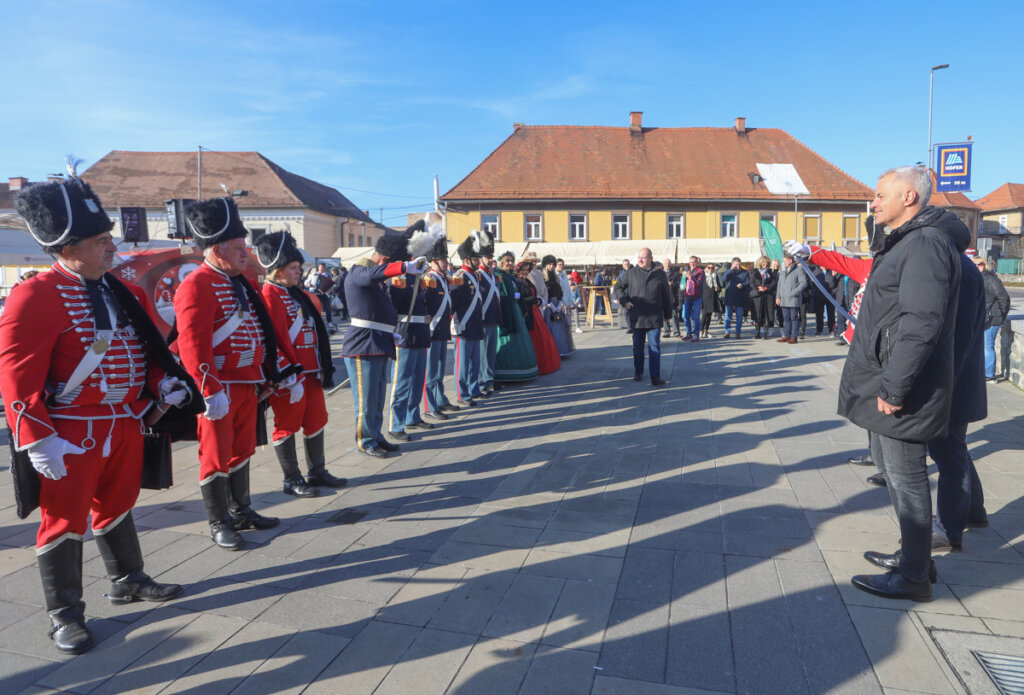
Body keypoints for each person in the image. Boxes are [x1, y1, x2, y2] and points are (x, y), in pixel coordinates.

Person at [0, 173, 193, 654]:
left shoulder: (116, 290)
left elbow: (143, 350)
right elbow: (16, 375)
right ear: (67, 246)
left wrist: (160, 383)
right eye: (100, 240)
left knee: (120, 503)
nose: (111, 246)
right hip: (71, 431)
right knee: (64, 519)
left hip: (125, 422)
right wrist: (37, 437)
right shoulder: (35, 294)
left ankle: (127, 579)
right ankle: (64, 614)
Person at [837, 165, 968, 601]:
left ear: (909, 197)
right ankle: (914, 560)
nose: (872, 203)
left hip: (908, 390)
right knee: (898, 478)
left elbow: (921, 324)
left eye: (879, 195)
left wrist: (894, 389)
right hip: (898, 381)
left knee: (906, 479)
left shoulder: (925, 244)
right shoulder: (912, 241)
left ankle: (913, 577)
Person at [176, 197, 294, 551]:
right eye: (239, 247)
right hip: (220, 386)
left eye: (245, 247)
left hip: (247, 383)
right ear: (216, 248)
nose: (246, 253)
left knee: (242, 449)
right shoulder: (196, 284)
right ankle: (219, 521)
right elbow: (192, 343)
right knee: (215, 454)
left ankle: (241, 510)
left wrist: (266, 374)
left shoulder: (240, 283)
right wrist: (208, 387)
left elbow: (259, 331)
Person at [256, 231, 347, 497]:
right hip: (289, 375)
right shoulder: (269, 295)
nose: (299, 272)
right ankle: (291, 478)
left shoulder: (295, 293)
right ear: (278, 270)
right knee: (287, 424)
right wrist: (287, 373)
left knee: (317, 419)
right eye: (294, 268)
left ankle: (316, 471)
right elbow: (270, 340)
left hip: (311, 371)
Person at [342, 234, 425, 457]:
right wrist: (405, 267)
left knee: (378, 396)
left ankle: (376, 435)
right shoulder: (359, 271)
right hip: (363, 344)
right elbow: (370, 276)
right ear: (384, 259)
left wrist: (392, 334)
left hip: (379, 342)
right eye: (392, 264)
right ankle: (366, 440)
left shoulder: (376, 281)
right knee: (366, 399)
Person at [387, 221, 441, 441]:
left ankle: (412, 415)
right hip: (405, 332)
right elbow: (391, 304)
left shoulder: (421, 275)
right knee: (402, 381)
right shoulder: (401, 275)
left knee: (418, 378)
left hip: (420, 332)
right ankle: (396, 424)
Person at [614, 247, 672, 386]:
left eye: (643, 257)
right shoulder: (631, 273)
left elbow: (666, 295)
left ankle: (655, 377)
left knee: (654, 347)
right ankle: (638, 372)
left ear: (651, 258)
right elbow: (618, 288)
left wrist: (668, 314)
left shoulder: (659, 274)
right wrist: (625, 301)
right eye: (639, 257)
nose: (640, 259)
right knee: (638, 347)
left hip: (654, 316)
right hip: (637, 316)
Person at [422, 229, 459, 420]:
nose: (446, 262)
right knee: (430, 371)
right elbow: (423, 304)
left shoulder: (443, 279)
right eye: (443, 259)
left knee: (439, 370)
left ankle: (440, 398)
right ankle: (430, 405)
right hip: (431, 331)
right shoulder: (428, 279)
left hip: (442, 330)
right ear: (433, 261)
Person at [451, 231, 486, 405]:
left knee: (475, 363)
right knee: (463, 365)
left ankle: (473, 389)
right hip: (463, 326)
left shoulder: (474, 276)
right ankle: (462, 394)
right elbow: (452, 304)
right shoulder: (459, 277)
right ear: (466, 260)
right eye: (476, 259)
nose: (479, 262)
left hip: (474, 326)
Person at [494, 251, 538, 382]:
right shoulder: (498, 275)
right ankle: (502, 372)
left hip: (515, 310)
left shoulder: (511, 277)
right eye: (507, 261)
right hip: (505, 311)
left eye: (511, 261)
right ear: (501, 262)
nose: (509, 263)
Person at [516, 259, 561, 375]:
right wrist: (531, 300)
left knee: (543, 339)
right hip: (527, 313)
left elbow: (535, 294)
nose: (525, 272)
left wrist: (539, 301)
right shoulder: (517, 282)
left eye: (527, 270)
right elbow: (518, 299)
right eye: (523, 270)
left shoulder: (528, 282)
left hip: (535, 311)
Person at [476, 230, 502, 397]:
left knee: (490, 352)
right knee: (483, 353)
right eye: (487, 257)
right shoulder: (477, 276)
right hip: (483, 319)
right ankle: (482, 381)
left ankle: (489, 379)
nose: (490, 259)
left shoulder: (491, 275)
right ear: (480, 258)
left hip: (493, 317)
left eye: (491, 256)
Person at [976, 258, 1010, 382]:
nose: (976, 266)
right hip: (982, 319)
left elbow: (1004, 298)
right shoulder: (977, 278)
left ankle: (990, 375)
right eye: (973, 264)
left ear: (985, 265)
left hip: (991, 319)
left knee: (987, 347)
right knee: (983, 347)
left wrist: (1000, 315)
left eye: (979, 264)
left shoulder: (990, 280)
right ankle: (985, 372)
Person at [542, 255, 575, 357]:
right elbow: (543, 291)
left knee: (560, 330)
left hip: (558, 304)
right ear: (545, 265)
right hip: (548, 305)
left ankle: (561, 351)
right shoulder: (542, 276)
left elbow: (559, 290)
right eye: (549, 264)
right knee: (551, 330)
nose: (551, 266)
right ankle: (552, 353)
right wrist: (548, 303)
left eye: (553, 264)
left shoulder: (556, 276)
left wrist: (560, 301)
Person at [775, 254, 808, 344]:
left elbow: (804, 283)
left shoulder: (799, 269)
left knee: (794, 318)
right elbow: (779, 285)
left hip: (793, 299)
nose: (784, 262)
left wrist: (795, 292)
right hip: (784, 299)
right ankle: (787, 335)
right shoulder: (782, 272)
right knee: (786, 318)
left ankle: (794, 336)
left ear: (790, 260)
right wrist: (778, 297)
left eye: (785, 260)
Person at [749, 256, 776, 339]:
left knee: (767, 314)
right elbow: (752, 283)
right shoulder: (755, 272)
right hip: (757, 296)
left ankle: (765, 333)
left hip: (768, 296)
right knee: (758, 314)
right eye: (764, 262)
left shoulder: (771, 272)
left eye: (767, 263)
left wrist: (766, 288)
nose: (765, 264)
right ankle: (757, 332)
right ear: (760, 263)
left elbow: (774, 283)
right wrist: (758, 288)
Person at [722, 257, 749, 338]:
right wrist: (731, 269)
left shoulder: (745, 272)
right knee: (728, 316)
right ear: (732, 264)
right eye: (736, 265)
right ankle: (727, 331)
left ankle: (738, 332)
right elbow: (723, 279)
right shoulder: (729, 271)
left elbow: (748, 282)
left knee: (739, 316)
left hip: (739, 296)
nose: (738, 266)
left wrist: (742, 285)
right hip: (729, 296)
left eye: (739, 264)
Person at [681, 256, 704, 341]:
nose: (692, 264)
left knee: (696, 316)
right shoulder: (688, 271)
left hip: (697, 297)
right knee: (686, 316)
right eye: (691, 262)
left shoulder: (701, 272)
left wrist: (690, 277)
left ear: (697, 263)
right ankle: (688, 333)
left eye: (694, 262)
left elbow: (699, 283)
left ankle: (696, 335)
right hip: (687, 296)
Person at [309, 262, 336, 329]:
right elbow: (306, 282)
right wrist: (308, 284)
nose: (321, 268)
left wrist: (331, 290)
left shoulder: (328, 275)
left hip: (324, 294)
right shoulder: (314, 275)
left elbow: (331, 285)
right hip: (315, 293)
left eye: (323, 267)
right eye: (320, 267)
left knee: (327, 308)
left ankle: (329, 322)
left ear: (324, 268)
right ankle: (315, 322)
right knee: (315, 308)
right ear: (318, 267)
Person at [700, 262, 721, 339]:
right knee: (704, 314)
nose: (711, 269)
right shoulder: (703, 276)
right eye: (709, 267)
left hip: (713, 297)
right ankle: (701, 330)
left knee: (709, 315)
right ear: (706, 268)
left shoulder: (715, 276)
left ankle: (706, 331)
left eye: (712, 268)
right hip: (705, 297)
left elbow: (719, 287)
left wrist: (717, 287)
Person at [663, 259, 682, 339]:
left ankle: (676, 331)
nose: (667, 264)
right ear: (663, 264)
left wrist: (673, 284)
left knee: (674, 315)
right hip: (663, 297)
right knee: (665, 316)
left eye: (669, 263)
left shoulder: (675, 273)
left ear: (671, 264)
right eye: (666, 263)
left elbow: (679, 283)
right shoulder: (660, 273)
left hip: (673, 296)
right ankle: (666, 331)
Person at [616, 259, 632, 331]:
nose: (627, 265)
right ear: (622, 266)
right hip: (625, 295)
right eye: (625, 264)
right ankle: (629, 326)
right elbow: (618, 287)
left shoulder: (633, 272)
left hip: (633, 295)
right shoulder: (621, 275)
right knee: (626, 311)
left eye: (628, 264)